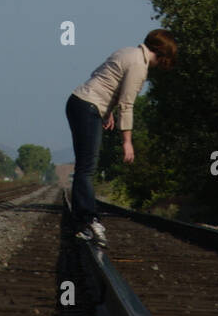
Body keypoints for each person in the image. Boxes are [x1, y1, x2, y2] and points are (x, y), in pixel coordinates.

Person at [65, 30, 178, 247]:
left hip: (79, 102)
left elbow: (101, 76)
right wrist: (127, 141)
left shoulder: (127, 52)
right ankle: (89, 220)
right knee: (87, 168)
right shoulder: (139, 66)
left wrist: (107, 112)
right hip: (88, 107)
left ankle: (83, 224)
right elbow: (127, 104)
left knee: (84, 167)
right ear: (162, 53)